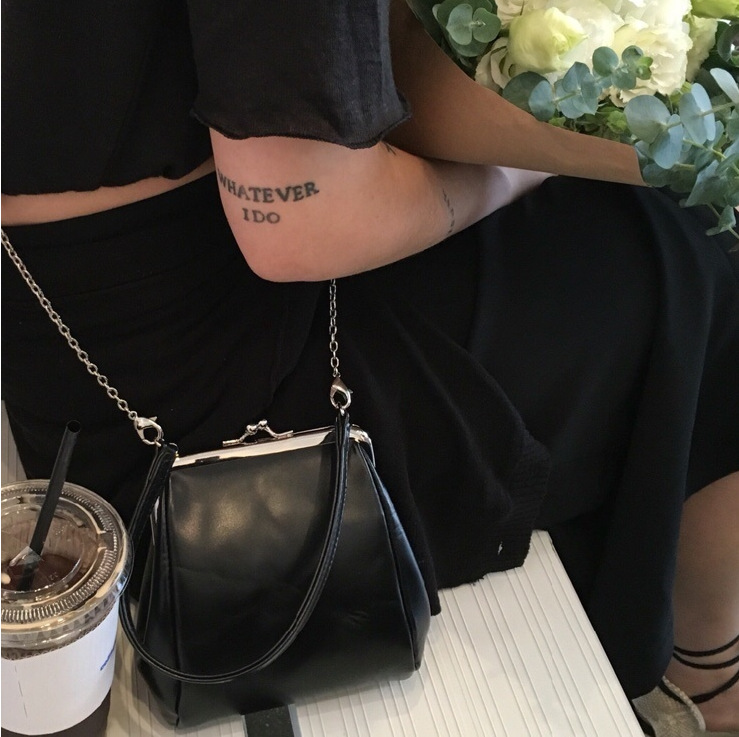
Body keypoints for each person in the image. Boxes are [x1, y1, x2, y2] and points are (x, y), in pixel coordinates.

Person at [2, 0, 737, 734]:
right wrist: (525, 167)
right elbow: (294, 228)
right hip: (204, 396)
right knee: (692, 251)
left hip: (58, 341)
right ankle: (709, 675)